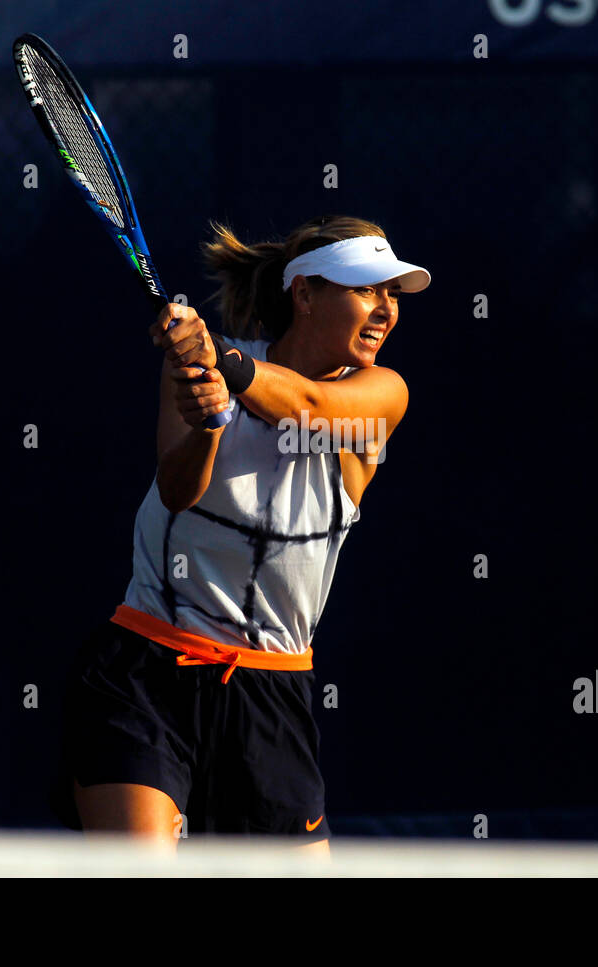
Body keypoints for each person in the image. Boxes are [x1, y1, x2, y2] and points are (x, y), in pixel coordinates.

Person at [53, 214, 430, 853]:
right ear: (304, 293)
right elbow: (178, 490)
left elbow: (313, 408)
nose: (385, 309)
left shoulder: (384, 392)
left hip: (273, 698)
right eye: (367, 290)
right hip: (148, 673)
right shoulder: (197, 371)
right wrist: (206, 417)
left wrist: (223, 364)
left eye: (392, 294)